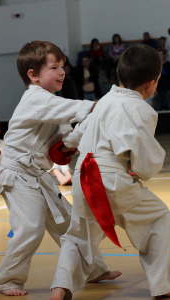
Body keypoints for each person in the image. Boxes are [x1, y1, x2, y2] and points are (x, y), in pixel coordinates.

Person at [0, 40, 121, 296]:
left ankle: (94, 269)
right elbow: (75, 109)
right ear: (34, 75)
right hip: (17, 177)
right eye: (54, 67)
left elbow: (64, 140)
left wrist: (67, 148)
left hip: (39, 177)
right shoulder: (35, 98)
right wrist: (110, 103)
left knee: (71, 225)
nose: (62, 72)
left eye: (62, 66)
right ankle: (6, 280)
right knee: (30, 227)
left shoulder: (50, 101)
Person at [49, 44, 170, 300]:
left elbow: (79, 133)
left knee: (78, 236)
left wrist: (64, 147)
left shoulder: (104, 100)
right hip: (113, 180)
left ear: (118, 72)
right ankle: (163, 286)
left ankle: (60, 289)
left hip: (84, 177)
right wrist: (140, 170)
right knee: (159, 220)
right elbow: (142, 156)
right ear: (152, 84)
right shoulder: (142, 110)